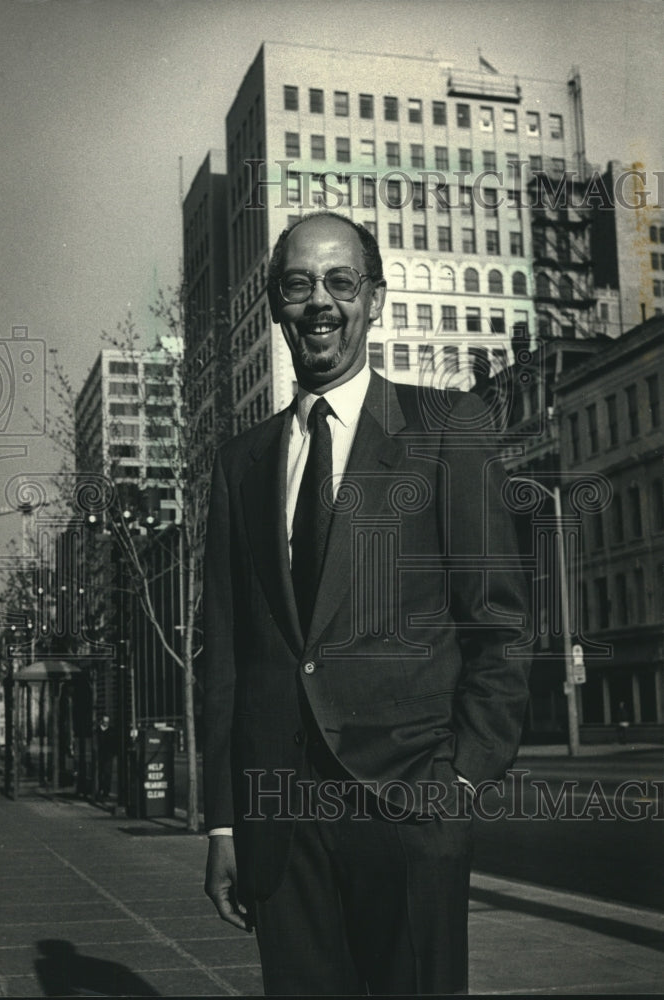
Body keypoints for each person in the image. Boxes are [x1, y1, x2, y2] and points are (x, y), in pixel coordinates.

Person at [203, 212, 531, 995]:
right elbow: (227, 655)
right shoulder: (239, 465)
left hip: (411, 811)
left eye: (341, 282)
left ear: (375, 299)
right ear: (278, 307)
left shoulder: (445, 427)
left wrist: (460, 783)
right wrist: (222, 823)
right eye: (299, 284)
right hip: (279, 824)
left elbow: (500, 624)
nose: (321, 301)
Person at [96, 714, 115, 801]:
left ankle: (106, 791)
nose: (106, 723)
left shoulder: (111, 730)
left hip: (108, 754)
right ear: (102, 721)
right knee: (100, 773)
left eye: (107, 721)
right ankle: (100, 789)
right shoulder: (97, 731)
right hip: (100, 754)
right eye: (105, 721)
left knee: (107, 773)